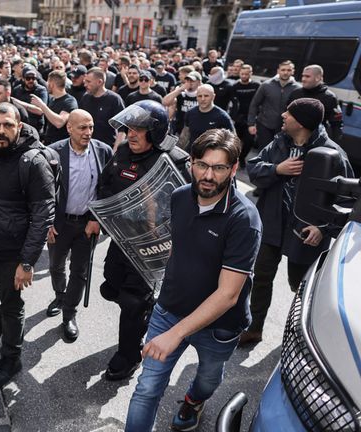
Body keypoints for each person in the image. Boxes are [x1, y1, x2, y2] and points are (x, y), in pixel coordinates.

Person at [125, 129, 262, 431]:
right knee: (147, 388)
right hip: (169, 310)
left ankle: (193, 401)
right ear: (191, 163)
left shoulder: (244, 219)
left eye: (219, 167)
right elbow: (179, 246)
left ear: (234, 169)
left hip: (219, 327)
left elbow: (228, 295)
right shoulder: (179, 197)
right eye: (202, 165)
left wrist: (175, 334)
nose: (208, 175)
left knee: (208, 380)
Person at [240, 98, 354, 345]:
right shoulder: (279, 143)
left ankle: (301, 338)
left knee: (301, 287)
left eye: (289, 113)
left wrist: (323, 229)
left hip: (306, 234)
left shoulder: (333, 154)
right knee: (261, 278)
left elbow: (346, 201)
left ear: (301, 122)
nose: (283, 115)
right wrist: (277, 170)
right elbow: (254, 169)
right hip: (272, 225)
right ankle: (254, 328)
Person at [97, 100, 191, 382]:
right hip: (121, 239)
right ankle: (144, 311)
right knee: (110, 285)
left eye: (139, 129)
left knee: (132, 302)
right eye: (129, 129)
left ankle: (128, 356)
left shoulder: (175, 160)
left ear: (156, 132)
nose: (131, 134)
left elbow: (188, 206)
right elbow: (105, 183)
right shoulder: (123, 152)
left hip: (152, 245)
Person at [0, 103, 55, 388]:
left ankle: (11, 358)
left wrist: (27, 262)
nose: (1, 131)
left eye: (8, 125)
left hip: (12, 253)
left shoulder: (33, 162)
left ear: (19, 126)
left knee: (11, 306)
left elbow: (43, 216)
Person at [45, 110, 112, 340]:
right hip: (59, 223)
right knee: (55, 266)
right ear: (69, 128)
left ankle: (69, 314)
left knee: (80, 271)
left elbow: (107, 187)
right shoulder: (53, 152)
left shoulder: (103, 151)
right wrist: (47, 222)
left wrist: (96, 219)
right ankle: (60, 295)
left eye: (91, 127)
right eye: (82, 128)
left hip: (87, 225)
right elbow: (43, 191)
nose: (88, 132)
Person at [247, 60, 299, 151]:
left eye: (289, 70)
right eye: (283, 70)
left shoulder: (297, 88)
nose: (285, 72)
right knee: (264, 151)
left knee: (279, 152)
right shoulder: (266, 85)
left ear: (293, 71)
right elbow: (254, 104)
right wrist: (251, 123)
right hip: (264, 125)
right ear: (278, 70)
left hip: (285, 128)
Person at [286, 64, 343, 142]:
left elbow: (336, 124)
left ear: (318, 78)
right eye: (303, 76)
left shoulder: (330, 97)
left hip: (315, 141)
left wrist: (334, 144)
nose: (303, 79)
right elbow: (286, 115)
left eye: (307, 76)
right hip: (292, 139)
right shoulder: (295, 93)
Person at [28, 70, 78, 145]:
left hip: (61, 145)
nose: (46, 84)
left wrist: (42, 105)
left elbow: (59, 122)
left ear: (51, 84)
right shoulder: (52, 99)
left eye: (47, 82)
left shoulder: (69, 101)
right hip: (49, 143)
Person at [79, 67, 125, 147]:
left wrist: (115, 151)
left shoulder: (114, 99)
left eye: (88, 82)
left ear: (99, 82)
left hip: (108, 147)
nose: (85, 85)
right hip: (87, 147)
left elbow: (122, 129)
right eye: (85, 81)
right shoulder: (85, 98)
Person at [230, 64, 260, 167]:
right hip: (238, 118)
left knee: (249, 141)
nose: (244, 76)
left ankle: (242, 158)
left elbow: (259, 102)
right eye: (242, 74)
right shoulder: (235, 86)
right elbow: (232, 103)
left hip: (251, 118)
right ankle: (234, 159)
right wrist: (233, 117)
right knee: (234, 140)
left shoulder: (256, 86)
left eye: (246, 74)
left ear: (251, 74)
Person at [163, 70, 202, 136]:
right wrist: (179, 89)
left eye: (192, 81)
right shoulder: (181, 94)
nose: (189, 83)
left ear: (199, 82)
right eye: (187, 80)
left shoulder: (202, 95)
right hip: (180, 130)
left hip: (197, 131)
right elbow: (165, 102)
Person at [11, 66, 48, 134]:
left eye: (33, 78)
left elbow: (40, 111)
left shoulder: (41, 90)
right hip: (21, 126)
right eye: (28, 78)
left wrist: (18, 102)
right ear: (23, 79)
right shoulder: (17, 90)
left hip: (36, 127)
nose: (31, 80)